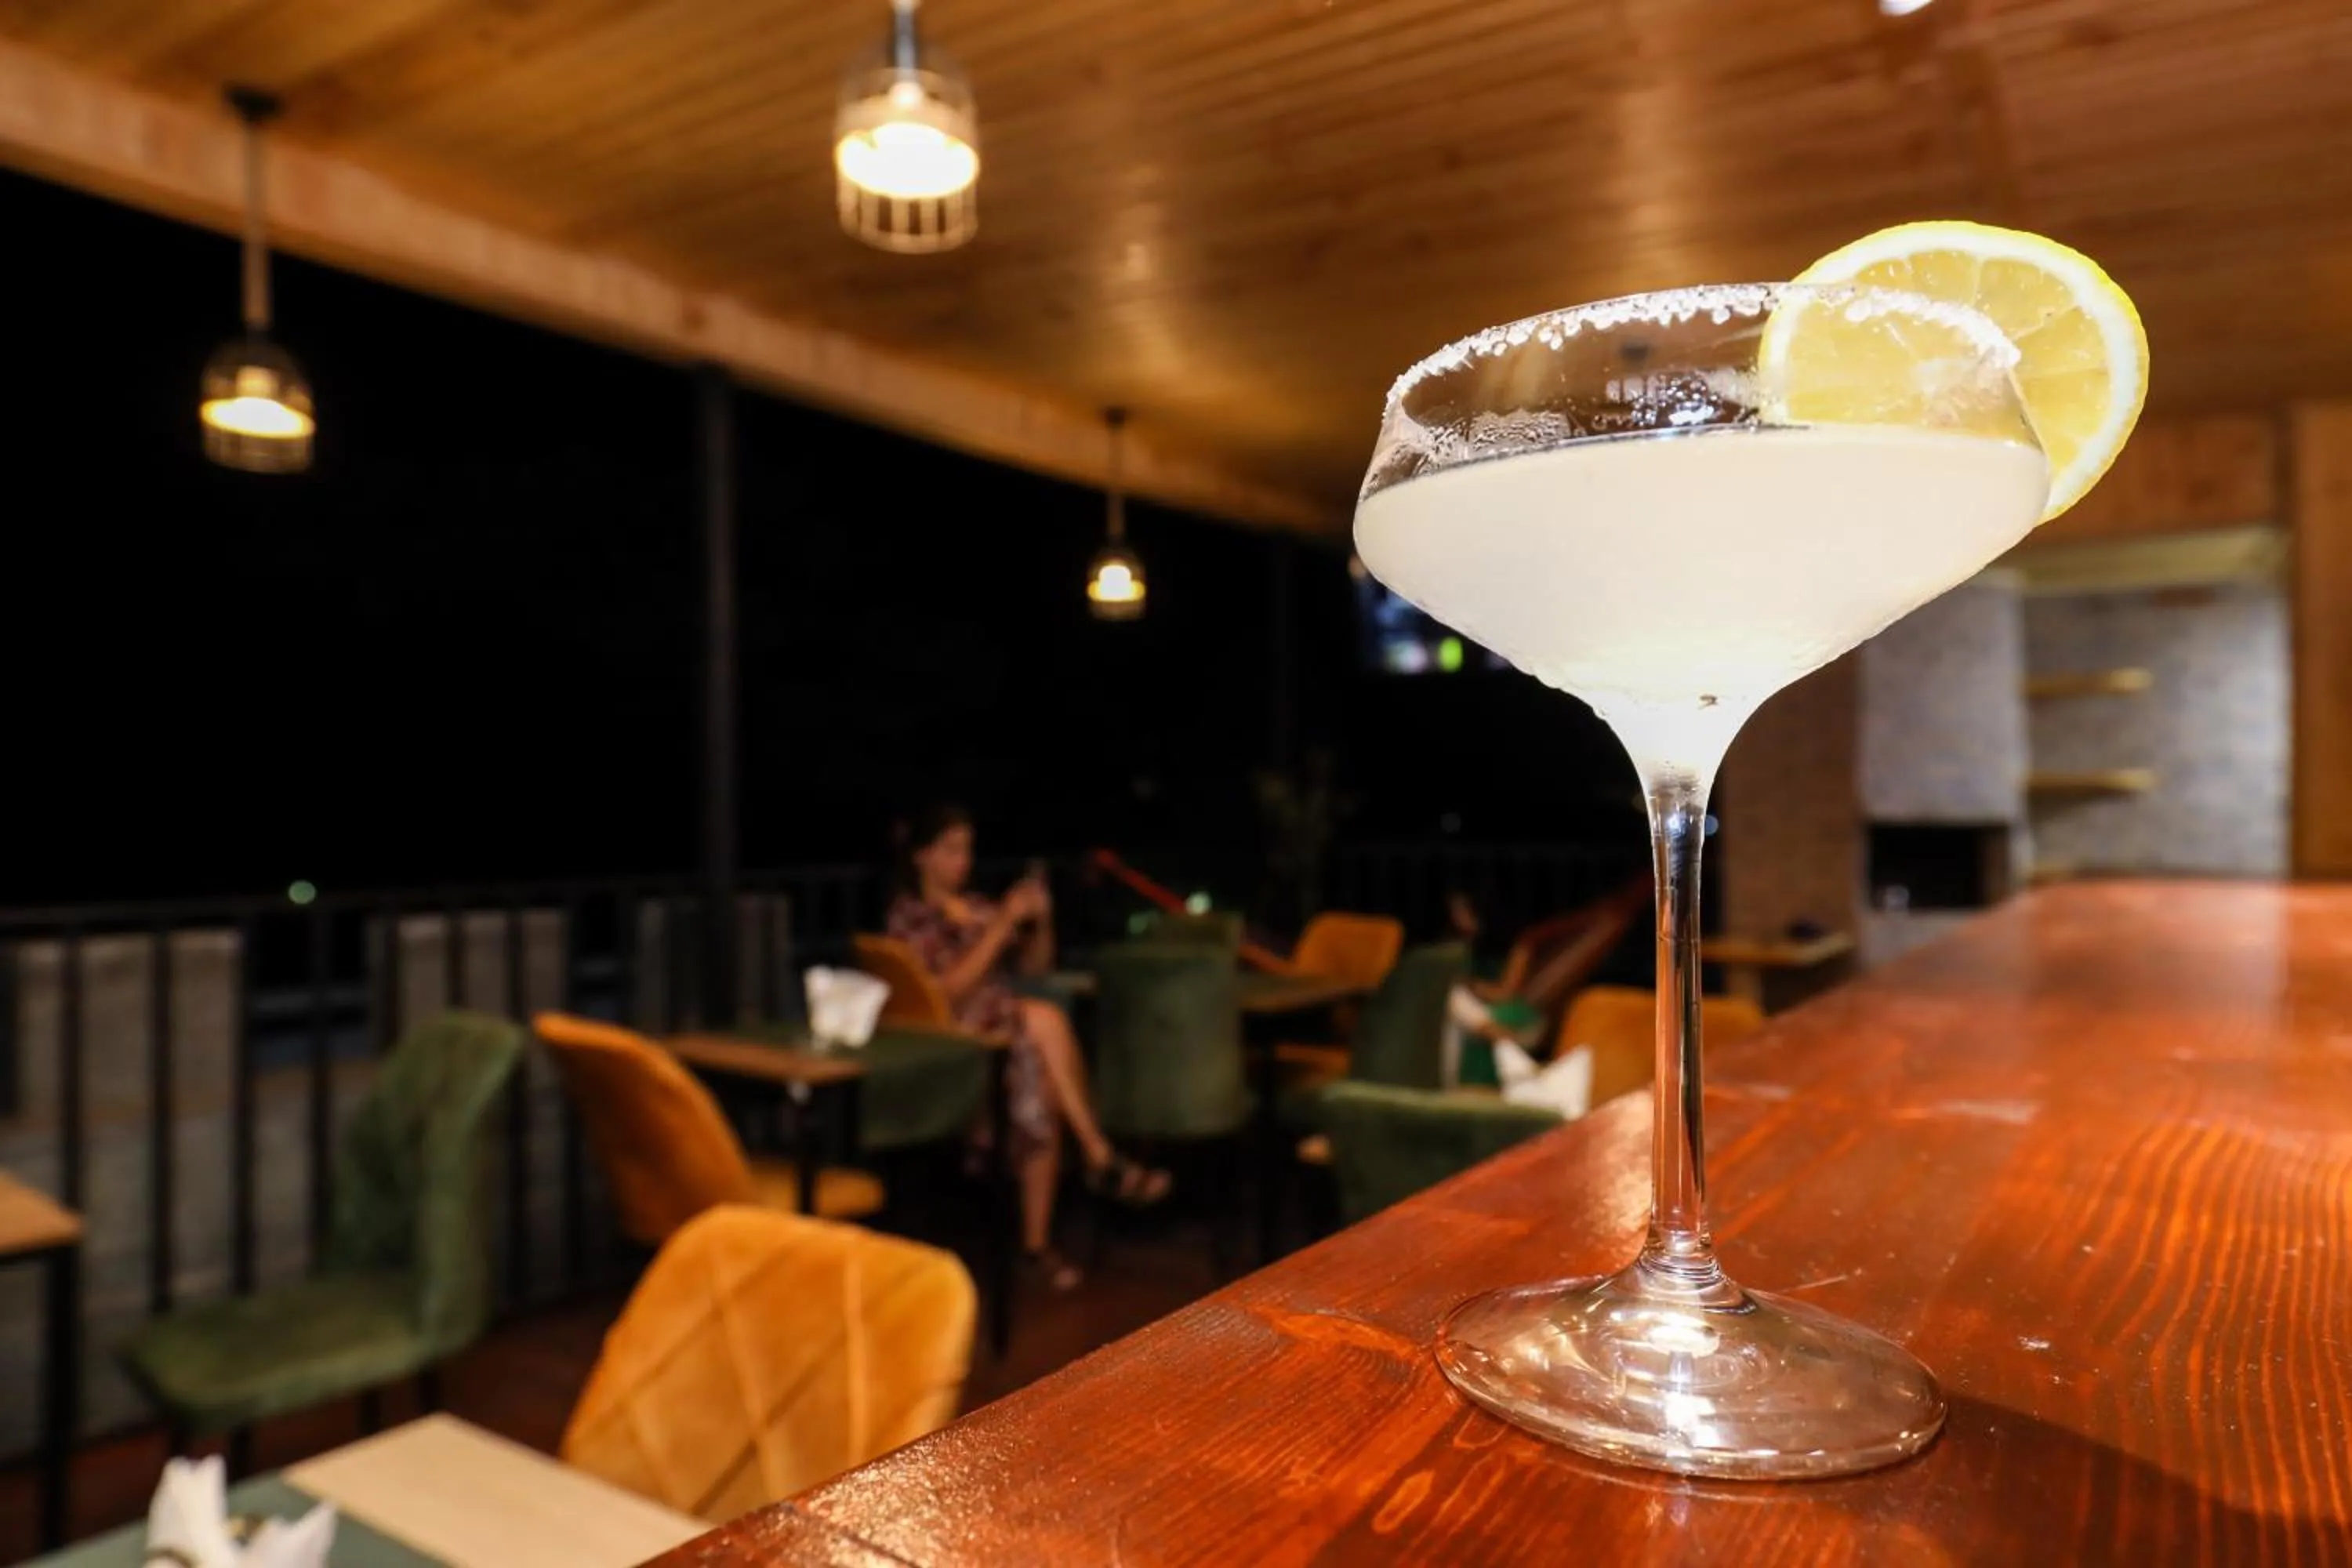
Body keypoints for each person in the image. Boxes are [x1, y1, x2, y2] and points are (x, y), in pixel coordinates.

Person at [887, 804, 1171, 1290]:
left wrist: (1041, 922)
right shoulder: (911, 919)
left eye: (968, 849)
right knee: (1043, 1027)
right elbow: (945, 994)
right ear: (921, 856)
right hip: (955, 1052)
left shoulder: (977, 906)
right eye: (952, 849)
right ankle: (1093, 1163)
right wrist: (1001, 927)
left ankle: (1053, 1221)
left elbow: (1037, 971)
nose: (964, 861)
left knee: (1041, 1046)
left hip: (1009, 1036)